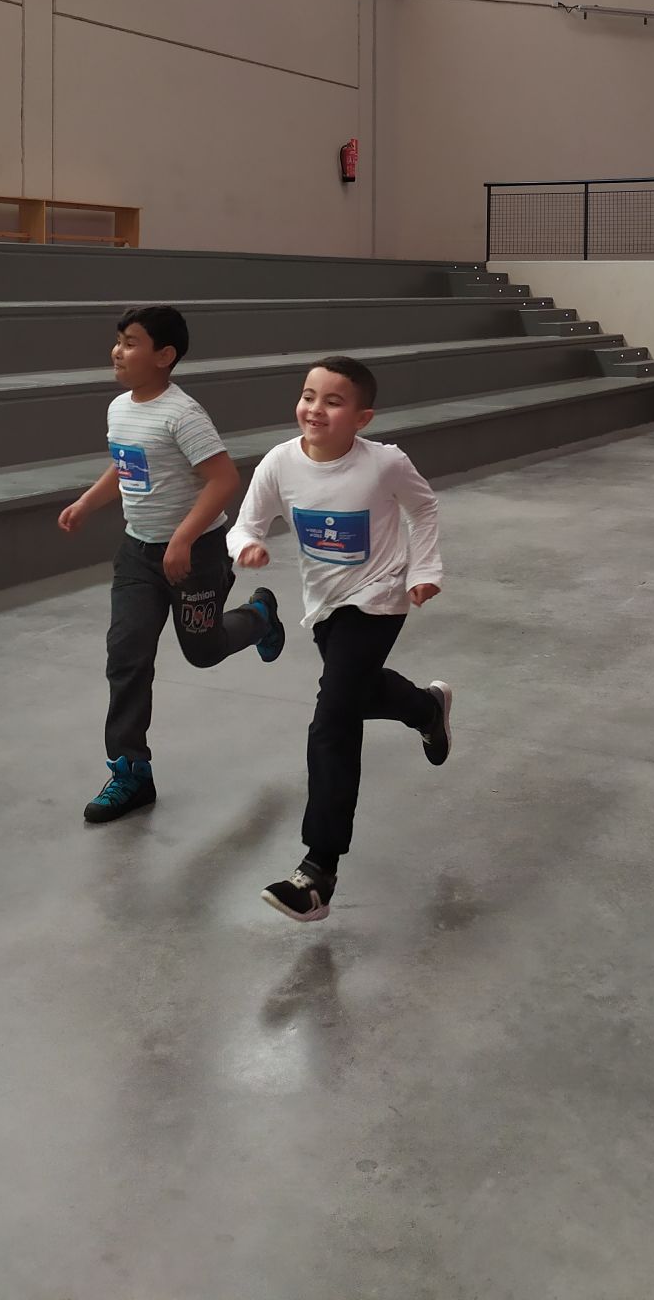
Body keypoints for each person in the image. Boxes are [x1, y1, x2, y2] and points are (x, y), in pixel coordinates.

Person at [229, 355, 452, 922]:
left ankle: (318, 872)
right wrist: (247, 546)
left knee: (333, 718)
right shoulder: (280, 463)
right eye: (309, 396)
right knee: (353, 691)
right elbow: (246, 523)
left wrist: (425, 570)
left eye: (333, 401)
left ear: (363, 418)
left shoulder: (384, 464)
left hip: (380, 597)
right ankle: (425, 708)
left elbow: (423, 508)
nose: (315, 409)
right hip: (325, 605)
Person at [59, 304, 284, 824]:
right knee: (126, 654)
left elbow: (223, 479)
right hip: (137, 554)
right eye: (118, 340)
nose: (118, 351)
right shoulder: (119, 408)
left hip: (195, 554)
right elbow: (124, 464)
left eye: (131, 342)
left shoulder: (183, 414)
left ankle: (259, 618)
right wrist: (87, 503)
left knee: (202, 652)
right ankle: (130, 771)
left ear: (164, 356)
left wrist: (182, 539)